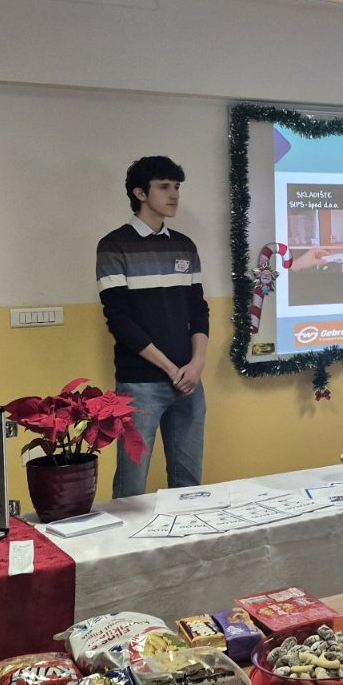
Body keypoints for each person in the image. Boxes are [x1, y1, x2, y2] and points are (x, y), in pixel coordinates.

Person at [97, 156, 209, 498]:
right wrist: (171, 368)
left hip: (188, 381)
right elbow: (120, 321)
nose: (174, 195)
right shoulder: (114, 246)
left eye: (177, 187)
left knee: (188, 484)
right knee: (132, 487)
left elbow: (199, 310)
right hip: (140, 383)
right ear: (140, 193)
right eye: (164, 187)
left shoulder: (184, 245)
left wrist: (196, 364)